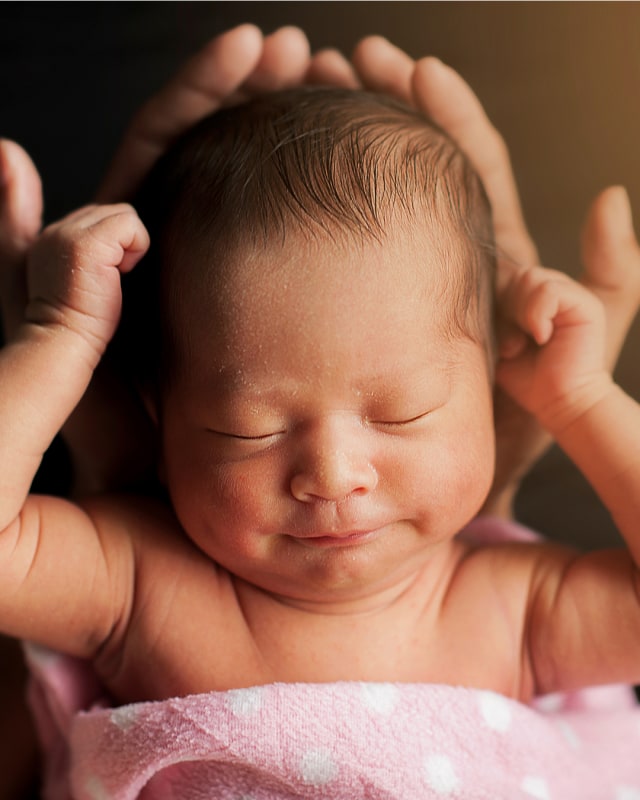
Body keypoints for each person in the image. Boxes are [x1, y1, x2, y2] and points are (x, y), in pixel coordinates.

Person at [2, 25, 640, 799]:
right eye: (250, 428)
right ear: (159, 423)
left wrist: (579, 400)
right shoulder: (141, 583)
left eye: (402, 412)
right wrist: (62, 339)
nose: (332, 475)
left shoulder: (514, 606)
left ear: (489, 385)